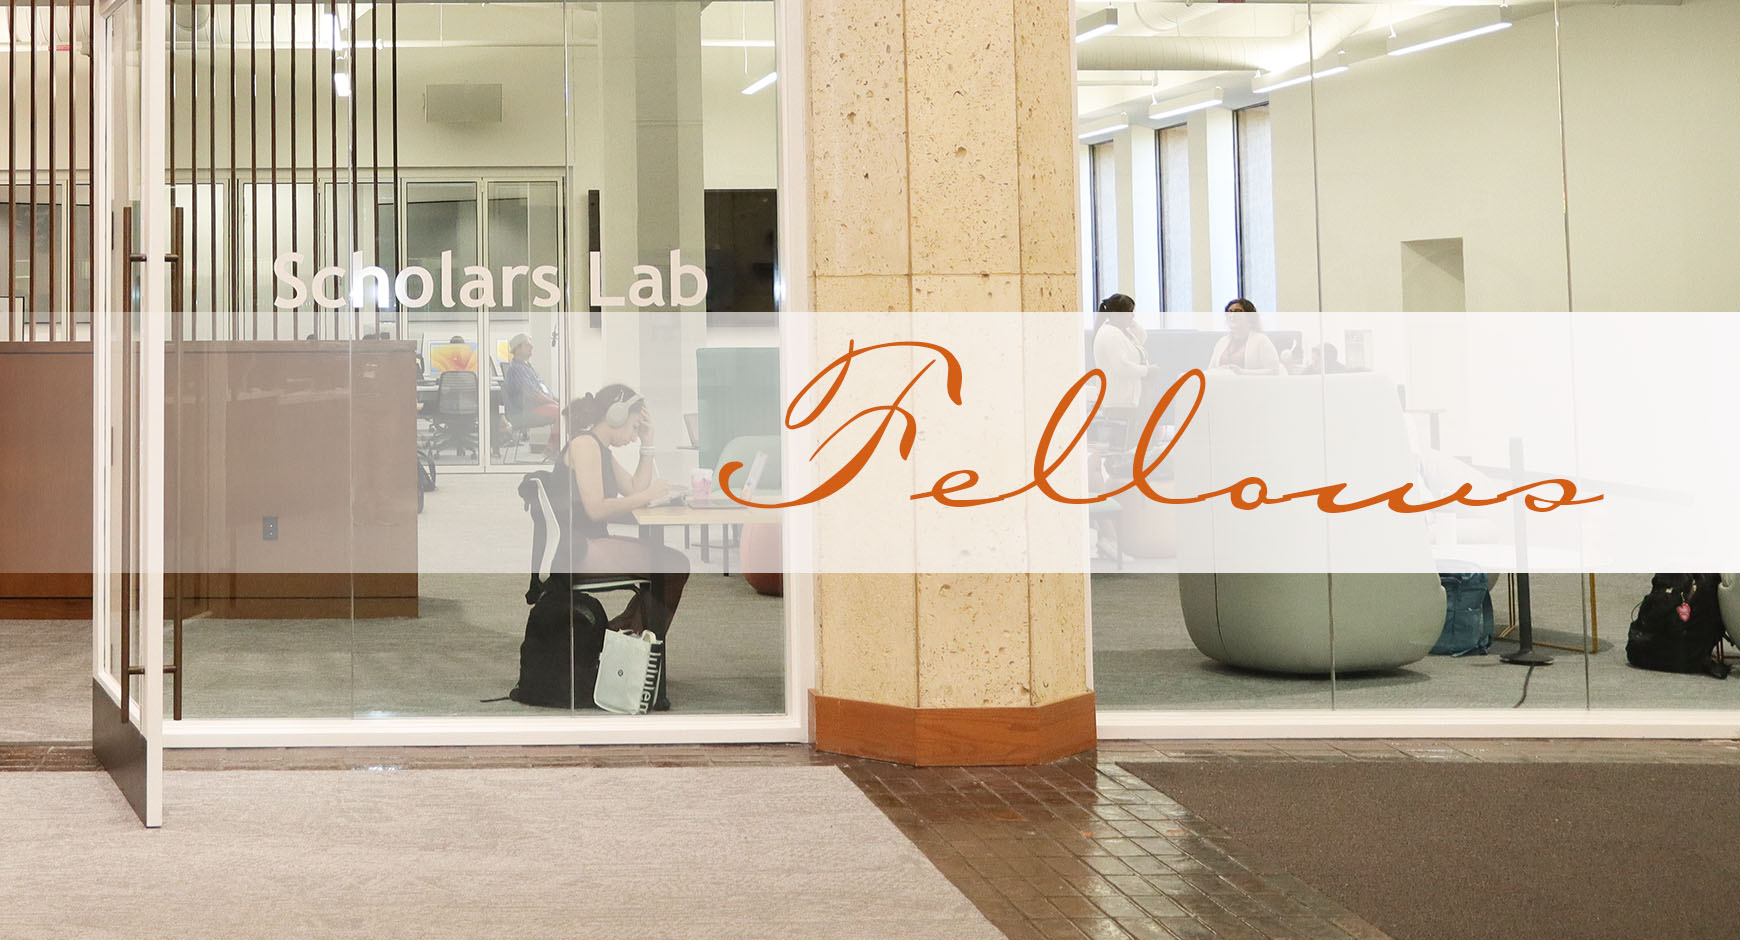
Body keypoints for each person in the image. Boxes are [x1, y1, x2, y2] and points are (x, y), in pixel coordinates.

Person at [563, 384, 689, 710]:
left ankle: (620, 648)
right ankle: (622, 648)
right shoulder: (584, 445)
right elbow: (596, 508)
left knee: (672, 566)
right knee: (671, 567)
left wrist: (648, 445)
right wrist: (647, 496)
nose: (634, 435)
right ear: (615, 414)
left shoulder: (599, 448)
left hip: (589, 543)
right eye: (634, 427)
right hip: (579, 549)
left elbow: (634, 487)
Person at [1090, 293, 1160, 443]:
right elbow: (1120, 366)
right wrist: (1147, 371)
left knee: (1136, 441)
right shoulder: (1109, 334)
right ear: (1116, 315)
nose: (1132, 316)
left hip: (1132, 399)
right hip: (1119, 400)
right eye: (1129, 312)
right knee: (1124, 444)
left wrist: (1130, 322)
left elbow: (1142, 337)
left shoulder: (1123, 331)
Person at [501, 332, 561, 458]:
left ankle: (558, 449)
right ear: (517, 348)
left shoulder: (526, 366)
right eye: (527, 345)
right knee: (561, 412)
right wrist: (554, 403)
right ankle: (551, 450)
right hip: (525, 411)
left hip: (537, 406)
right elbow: (532, 394)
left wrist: (556, 399)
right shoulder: (517, 369)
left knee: (565, 409)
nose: (531, 347)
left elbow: (541, 390)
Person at [1208, 298, 1285, 376]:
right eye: (1229, 312)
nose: (1232, 315)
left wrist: (1242, 372)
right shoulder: (1222, 342)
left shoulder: (1261, 340)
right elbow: (1210, 370)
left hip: (1251, 386)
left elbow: (1274, 371)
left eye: (1238, 312)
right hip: (1222, 385)